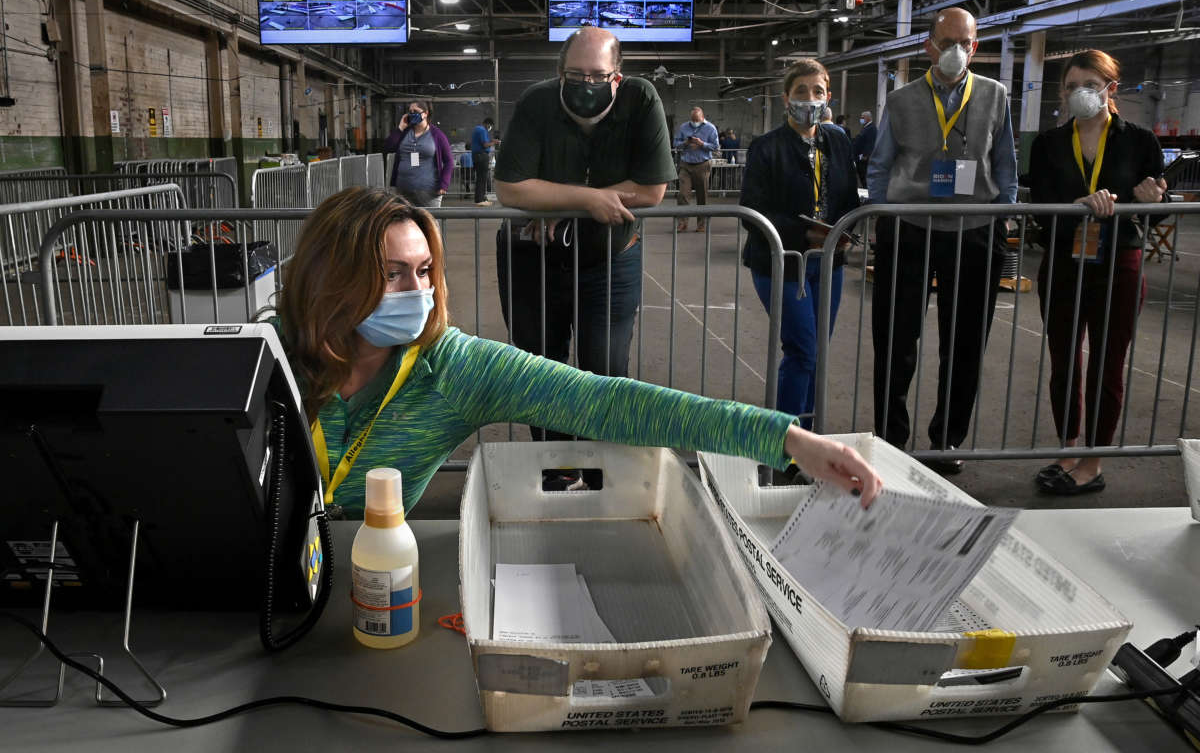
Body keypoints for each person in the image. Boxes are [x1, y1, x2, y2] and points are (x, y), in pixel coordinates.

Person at [276, 186, 883, 517]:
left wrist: (786, 439)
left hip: (374, 588)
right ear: (333, 276)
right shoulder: (265, 356)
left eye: (426, 270)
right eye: (392, 274)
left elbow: (610, 401)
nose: (420, 292)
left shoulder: (453, 367)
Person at [494, 27, 675, 439]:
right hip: (533, 260)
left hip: (611, 260)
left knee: (607, 372)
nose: (586, 84)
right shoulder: (536, 102)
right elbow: (510, 187)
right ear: (560, 73)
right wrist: (588, 202)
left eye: (597, 74)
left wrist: (564, 203)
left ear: (617, 75)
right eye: (576, 75)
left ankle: (597, 470)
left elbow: (651, 190)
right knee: (539, 370)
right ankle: (553, 468)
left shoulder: (641, 98)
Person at [867, 6, 1017, 474]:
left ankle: (946, 441)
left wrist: (1004, 217)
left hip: (974, 233)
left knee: (966, 342)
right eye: (947, 41)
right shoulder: (902, 99)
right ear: (928, 44)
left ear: (975, 47)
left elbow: (1007, 164)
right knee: (896, 342)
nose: (956, 51)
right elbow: (880, 164)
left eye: (965, 43)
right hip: (910, 230)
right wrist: (884, 215)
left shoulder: (996, 95)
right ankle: (890, 438)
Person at [1028, 49, 1168, 495]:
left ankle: (1092, 461)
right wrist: (1072, 209)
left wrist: (1152, 203)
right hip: (1065, 265)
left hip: (1118, 267)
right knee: (1063, 362)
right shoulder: (1048, 144)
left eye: (1088, 85)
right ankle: (1067, 450)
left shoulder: (1140, 141)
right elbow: (1038, 209)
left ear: (1111, 89)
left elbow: (1155, 211)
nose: (1078, 94)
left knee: (1109, 365)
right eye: (1071, 87)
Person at [741, 59, 859, 426]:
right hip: (782, 261)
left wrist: (846, 231)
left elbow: (848, 197)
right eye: (801, 91)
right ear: (786, 98)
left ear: (828, 98)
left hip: (828, 263)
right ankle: (785, 441)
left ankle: (807, 432)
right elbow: (752, 210)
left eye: (817, 91)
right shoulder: (765, 147)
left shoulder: (838, 142)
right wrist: (804, 233)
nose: (810, 99)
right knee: (802, 349)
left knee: (818, 352)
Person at [383, 100, 453, 208]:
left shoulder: (437, 135)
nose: (412, 114)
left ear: (425, 113)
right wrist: (400, 128)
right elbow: (388, 147)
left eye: (415, 111)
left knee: (429, 223)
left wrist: (444, 184)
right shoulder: (404, 132)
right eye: (410, 111)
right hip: (403, 191)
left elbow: (449, 161)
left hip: (428, 192)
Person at [673, 106, 720, 232]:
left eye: (697, 120)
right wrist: (685, 143)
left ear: (702, 117)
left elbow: (715, 147)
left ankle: (701, 224)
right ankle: (682, 223)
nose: (694, 122)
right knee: (683, 195)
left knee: (702, 195)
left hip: (702, 165)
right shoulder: (683, 127)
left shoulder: (711, 128)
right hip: (686, 164)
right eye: (693, 120)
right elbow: (676, 144)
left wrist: (702, 144)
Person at [470, 116, 499, 206]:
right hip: (481, 156)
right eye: (490, 126)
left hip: (476, 156)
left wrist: (491, 140)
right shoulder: (482, 130)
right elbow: (485, 145)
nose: (490, 129)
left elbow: (483, 142)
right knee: (482, 179)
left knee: (480, 178)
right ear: (488, 124)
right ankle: (480, 200)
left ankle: (480, 198)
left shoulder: (477, 129)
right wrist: (494, 143)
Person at [851, 110, 876, 187]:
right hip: (860, 158)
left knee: (865, 178)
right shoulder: (866, 127)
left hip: (864, 160)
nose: (861, 119)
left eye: (862, 117)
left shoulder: (871, 128)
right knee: (862, 178)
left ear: (868, 118)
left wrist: (864, 155)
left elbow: (870, 143)